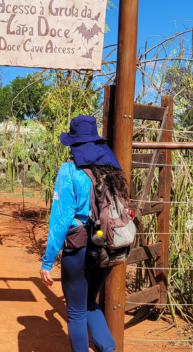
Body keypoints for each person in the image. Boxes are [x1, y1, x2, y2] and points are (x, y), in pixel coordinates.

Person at [39, 115, 129, 352]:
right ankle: (108, 350)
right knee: (90, 303)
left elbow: (60, 219)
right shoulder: (112, 171)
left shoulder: (69, 170)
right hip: (108, 246)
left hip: (79, 248)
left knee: (76, 312)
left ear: (73, 144)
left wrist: (48, 260)